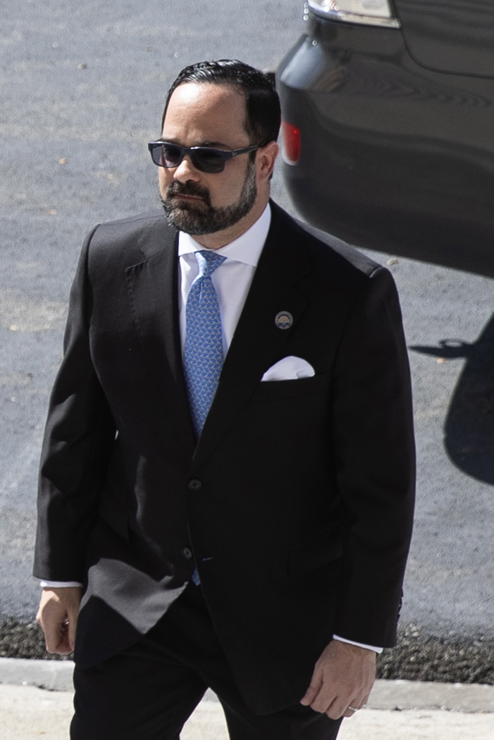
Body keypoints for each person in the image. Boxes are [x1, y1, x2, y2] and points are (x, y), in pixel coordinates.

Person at [33, 59, 415, 739]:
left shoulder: (346, 293)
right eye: (169, 151)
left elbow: (379, 485)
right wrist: (60, 573)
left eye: (207, 156)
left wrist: (359, 637)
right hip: (139, 601)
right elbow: (76, 434)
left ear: (265, 160)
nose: (182, 172)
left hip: (285, 619)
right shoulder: (110, 260)